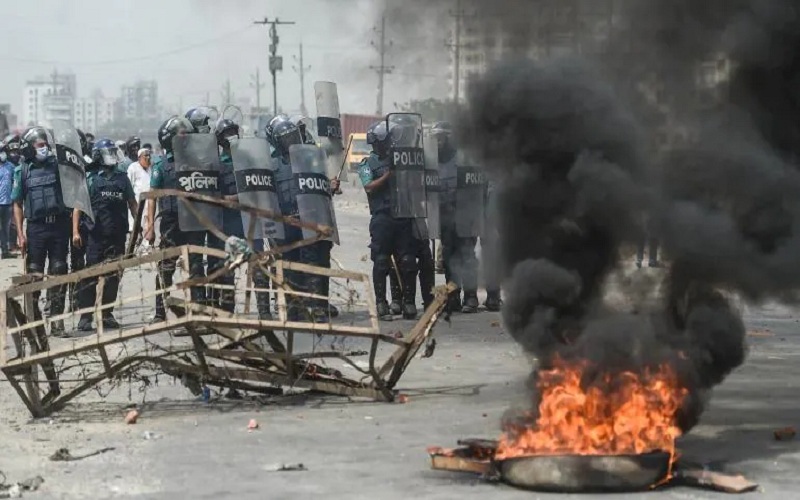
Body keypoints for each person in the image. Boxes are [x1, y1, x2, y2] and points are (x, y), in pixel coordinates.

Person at [268, 115, 340, 322]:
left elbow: (318, 188)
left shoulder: (310, 159)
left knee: (313, 263)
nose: (290, 141)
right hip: (285, 222)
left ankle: (318, 308)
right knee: (289, 266)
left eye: (292, 136)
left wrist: (329, 186)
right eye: (285, 138)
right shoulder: (272, 165)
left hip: (309, 220)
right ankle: (293, 309)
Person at [145, 116, 207, 322]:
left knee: (196, 265)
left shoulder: (197, 161)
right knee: (166, 266)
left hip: (194, 219)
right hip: (171, 221)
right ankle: (159, 311)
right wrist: (149, 226)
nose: (185, 137)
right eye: (181, 134)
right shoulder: (160, 165)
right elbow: (152, 197)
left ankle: (197, 311)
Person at [12, 127, 71, 336]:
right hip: (36, 228)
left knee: (59, 270)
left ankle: (56, 322)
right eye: (40, 145)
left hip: (59, 226)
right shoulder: (23, 171)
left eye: (46, 144)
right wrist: (20, 234)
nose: (44, 148)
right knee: (34, 274)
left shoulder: (57, 166)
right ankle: (33, 323)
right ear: (30, 148)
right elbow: (17, 203)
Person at [74, 139, 137, 331]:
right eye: (107, 152)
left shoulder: (122, 178)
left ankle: (107, 313)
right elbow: (78, 206)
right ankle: (86, 317)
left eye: (112, 151)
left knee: (112, 276)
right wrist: (75, 231)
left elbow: (132, 203)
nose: (111, 155)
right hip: (95, 236)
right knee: (90, 276)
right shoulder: (91, 178)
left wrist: (139, 227)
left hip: (117, 235)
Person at [359, 121, 418, 320]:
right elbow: (368, 186)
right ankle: (381, 304)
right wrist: (388, 175)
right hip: (382, 217)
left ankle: (408, 302)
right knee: (382, 261)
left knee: (408, 261)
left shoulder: (401, 159)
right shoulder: (368, 163)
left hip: (402, 214)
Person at [430, 122, 480, 313]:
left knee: (467, 256)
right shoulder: (432, 161)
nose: (438, 142)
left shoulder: (464, 159)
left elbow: (477, 189)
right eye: (435, 138)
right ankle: (453, 296)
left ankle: (471, 296)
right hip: (444, 216)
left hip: (465, 215)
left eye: (441, 138)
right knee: (450, 257)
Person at [0, 134, 20, 258]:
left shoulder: (11, 167)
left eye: (3, 151)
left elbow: (16, 182)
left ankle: (5, 251)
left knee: (6, 229)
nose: (2, 154)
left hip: (7, 203)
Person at [127, 147, 152, 233]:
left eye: (149, 155)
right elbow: (129, 186)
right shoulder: (133, 168)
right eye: (145, 156)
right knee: (136, 229)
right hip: (136, 205)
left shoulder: (152, 168)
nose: (148, 158)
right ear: (139, 157)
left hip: (149, 205)